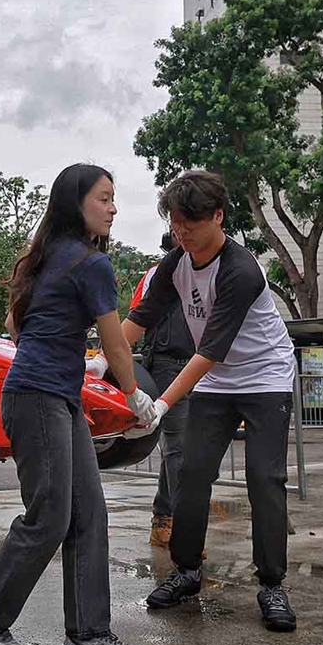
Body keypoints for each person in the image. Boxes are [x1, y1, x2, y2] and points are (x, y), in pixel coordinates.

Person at [0, 163, 152, 645]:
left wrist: (63, 351)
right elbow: (115, 343)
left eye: (114, 199)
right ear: (77, 203)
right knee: (50, 517)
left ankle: (88, 634)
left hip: (50, 396)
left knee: (89, 514)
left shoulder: (44, 259)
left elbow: (15, 327)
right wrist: (135, 398)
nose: (113, 208)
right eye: (104, 198)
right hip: (40, 397)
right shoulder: (90, 264)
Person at [122, 170, 300, 632]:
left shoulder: (239, 269)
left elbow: (208, 351)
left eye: (191, 223)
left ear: (218, 217)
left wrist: (160, 405)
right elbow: (140, 318)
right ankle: (185, 572)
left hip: (265, 377)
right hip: (217, 382)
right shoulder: (175, 263)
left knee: (265, 478)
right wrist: (102, 362)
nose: (181, 232)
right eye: (176, 223)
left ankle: (272, 585)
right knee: (192, 473)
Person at [96, 231, 197, 548]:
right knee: (178, 446)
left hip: (202, 363)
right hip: (168, 363)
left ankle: (166, 513)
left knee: (187, 449)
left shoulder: (210, 270)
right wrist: (107, 359)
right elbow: (136, 319)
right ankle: (173, 524)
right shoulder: (157, 273)